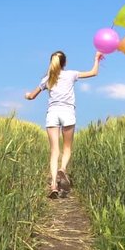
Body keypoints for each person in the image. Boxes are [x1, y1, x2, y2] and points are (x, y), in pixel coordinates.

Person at [25, 50, 103, 198]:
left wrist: (26, 95)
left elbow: (32, 96)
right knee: (67, 147)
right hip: (67, 113)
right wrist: (97, 59)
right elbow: (93, 73)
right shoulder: (71, 74)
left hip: (52, 114)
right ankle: (63, 168)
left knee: (54, 151)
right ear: (65, 63)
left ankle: (54, 184)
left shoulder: (47, 79)